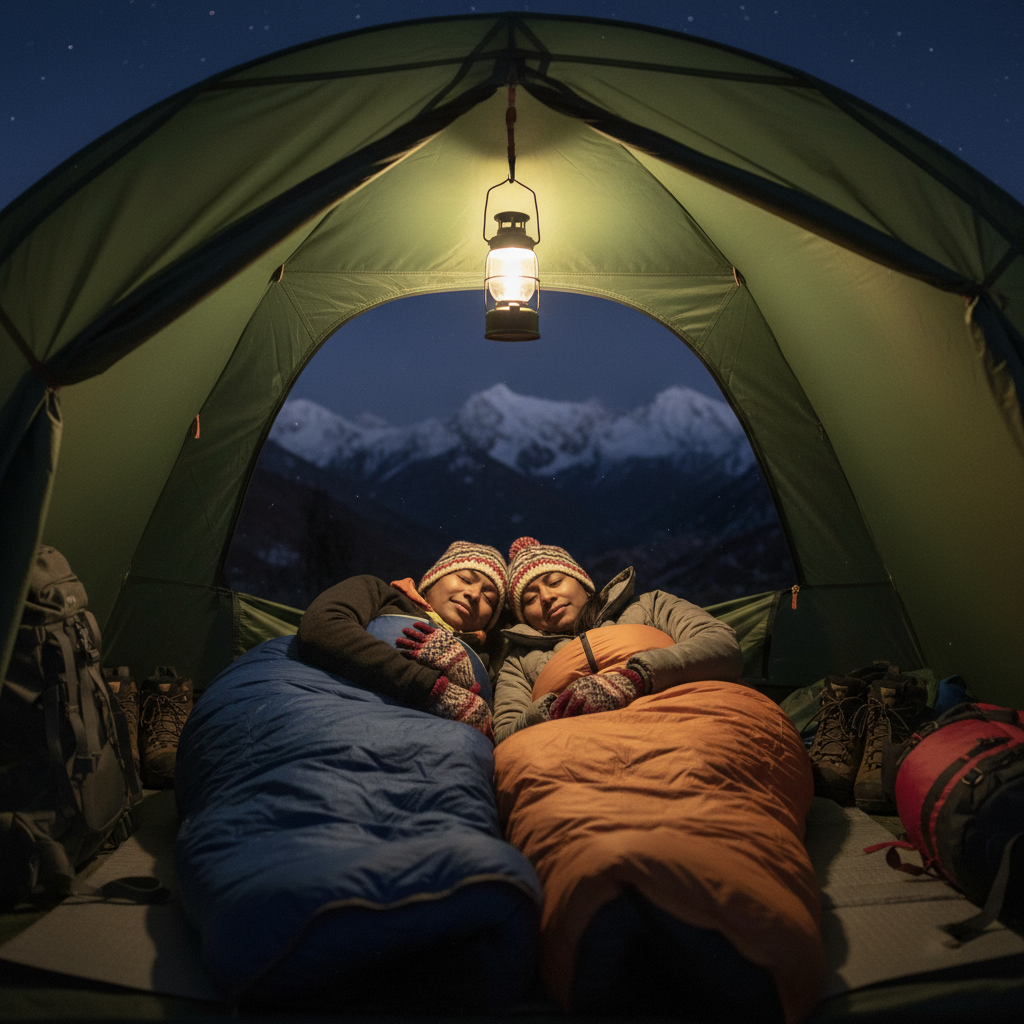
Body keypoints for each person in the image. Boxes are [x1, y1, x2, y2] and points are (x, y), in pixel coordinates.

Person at [494, 537, 745, 743]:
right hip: (575, 745)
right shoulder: (518, 662)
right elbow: (505, 733)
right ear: (523, 617)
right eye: (529, 599)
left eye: (555, 582)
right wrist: (554, 709)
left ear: (583, 584)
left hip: (687, 722)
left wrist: (636, 678)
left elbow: (722, 644)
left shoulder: (651, 605)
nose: (546, 597)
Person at [297, 540, 507, 739]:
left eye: (488, 598)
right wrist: (429, 688)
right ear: (433, 579)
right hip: (339, 721)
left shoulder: (487, 665)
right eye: (465, 579)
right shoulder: (379, 593)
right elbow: (321, 625)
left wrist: (466, 685)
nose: (474, 594)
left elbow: (493, 729)